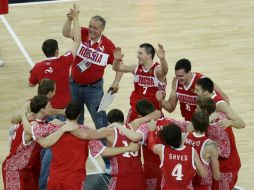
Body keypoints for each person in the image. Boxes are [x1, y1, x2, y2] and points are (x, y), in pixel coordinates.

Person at [24, 101, 139, 190]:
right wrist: (128, 148)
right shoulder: (87, 132)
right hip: (74, 180)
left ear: (66, 113)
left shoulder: (53, 127)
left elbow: (32, 131)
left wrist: (25, 115)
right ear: (79, 114)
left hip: (55, 177)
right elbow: (103, 152)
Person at [28, 4, 81, 189]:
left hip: (46, 112)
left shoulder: (37, 67)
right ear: (57, 50)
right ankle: (44, 183)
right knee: (58, 146)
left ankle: (43, 179)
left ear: (45, 52)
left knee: (45, 145)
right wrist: (74, 18)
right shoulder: (64, 60)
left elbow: (30, 83)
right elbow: (77, 42)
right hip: (64, 111)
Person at [2, 95, 76, 190]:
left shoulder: (35, 121)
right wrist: (61, 126)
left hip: (29, 170)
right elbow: (45, 140)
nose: (52, 108)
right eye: (49, 106)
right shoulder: (34, 125)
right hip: (14, 170)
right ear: (42, 110)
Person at [156, 58, 228, 121]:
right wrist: (161, 101)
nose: (178, 78)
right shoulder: (176, 82)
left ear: (189, 72)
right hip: (189, 122)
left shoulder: (202, 80)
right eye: (176, 75)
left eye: (181, 76)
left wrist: (227, 118)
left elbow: (224, 98)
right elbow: (171, 108)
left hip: (205, 123)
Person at [113, 44, 168, 123]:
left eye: (140, 53)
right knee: (129, 133)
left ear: (149, 55)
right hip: (136, 111)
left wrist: (162, 59)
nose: (137, 56)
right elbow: (117, 68)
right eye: (137, 53)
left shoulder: (157, 69)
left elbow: (164, 71)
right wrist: (117, 60)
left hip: (153, 112)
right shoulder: (136, 67)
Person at [196, 96, 241, 190]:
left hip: (226, 167)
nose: (196, 110)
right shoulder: (218, 115)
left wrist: (205, 151)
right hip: (224, 165)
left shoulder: (218, 127)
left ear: (205, 111)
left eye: (198, 108)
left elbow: (225, 152)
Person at [148, 123, 207, 190]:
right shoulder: (192, 151)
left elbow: (151, 144)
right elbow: (203, 174)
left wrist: (151, 131)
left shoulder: (162, 149)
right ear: (180, 136)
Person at [107, 109, 147, 190]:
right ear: (123, 119)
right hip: (139, 177)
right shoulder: (135, 129)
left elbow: (105, 153)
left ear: (109, 123)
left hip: (121, 178)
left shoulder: (110, 134)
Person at [184, 111, 220, 190]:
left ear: (192, 124)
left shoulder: (183, 137)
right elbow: (216, 175)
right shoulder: (211, 145)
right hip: (202, 185)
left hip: (186, 184)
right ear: (207, 125)